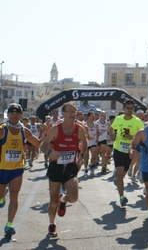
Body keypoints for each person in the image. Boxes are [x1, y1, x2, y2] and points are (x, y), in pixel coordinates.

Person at [40, 102, 88, 237]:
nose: (73, 114)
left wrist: (82, 156)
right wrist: (50, 154)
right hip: (56, 166)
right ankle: (51, 224)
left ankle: (64, 200)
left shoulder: (79, 129)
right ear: (63, 113)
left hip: (71, 167)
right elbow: (43, 146)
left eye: (75, 112)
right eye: (70, 112)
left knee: (73, 197)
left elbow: (85, 142)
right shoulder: (55, 129)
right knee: (53, 201)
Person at [0, 103, 43, 238]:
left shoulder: (24, 131)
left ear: (20, 115)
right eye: (12, 113)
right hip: (2, 168)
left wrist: (48, 135)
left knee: (14, 195)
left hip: (17, 169)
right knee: (1, 195)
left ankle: (9, 225)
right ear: (8, 115)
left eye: (17, 113)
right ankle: (1, 198)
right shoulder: (2, 129)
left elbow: (38, 143)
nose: (14, 116)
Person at [109, 99, 144, 207]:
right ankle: (122, 197)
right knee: (120, 173)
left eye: (131, 108)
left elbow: (143, 136)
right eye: (127, 108)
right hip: (118, 149)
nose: (129, 110)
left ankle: (117, 177)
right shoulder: (118, 119)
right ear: (123, 109)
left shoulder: (137, 121)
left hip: (130, 151)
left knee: (122, 175)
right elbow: (111, 128)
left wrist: (132, 137)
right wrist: (111, 135)